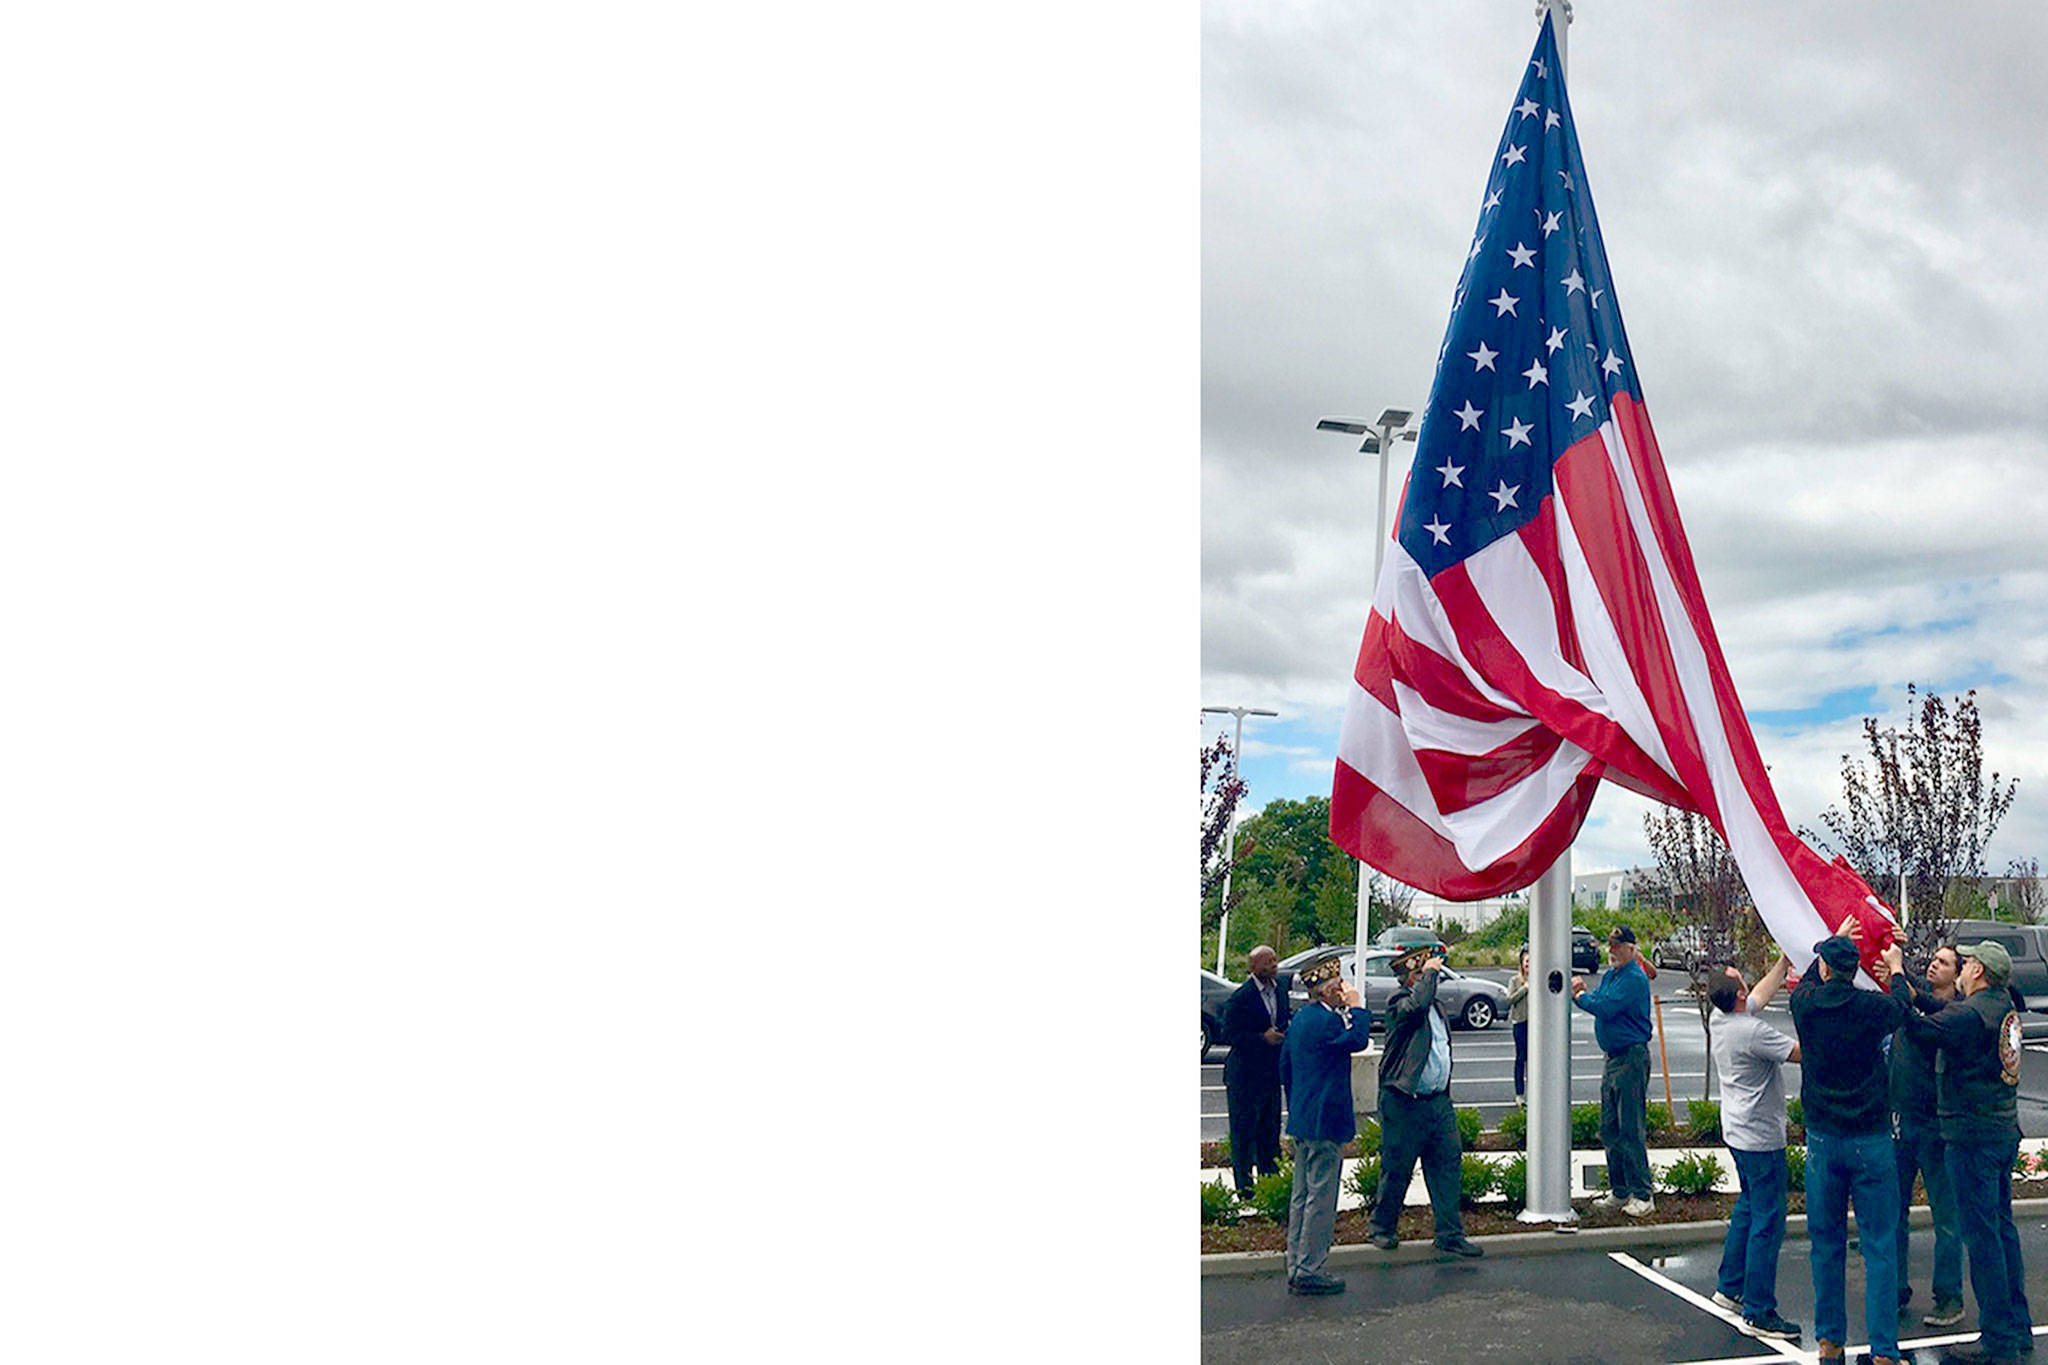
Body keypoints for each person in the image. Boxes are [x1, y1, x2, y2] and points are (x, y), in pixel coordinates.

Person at [1884, 938, 2034, 1365]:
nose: (1964, 967)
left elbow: (1920, 1029)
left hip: (1973, 1139)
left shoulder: (1973, 1014)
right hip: (2001, 1132)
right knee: (2002, 1233)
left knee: (1982, 1239)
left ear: (1979, 973)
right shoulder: (2001, 1005)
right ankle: (2016, 1329)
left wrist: (1896, 974)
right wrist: (1915, 991)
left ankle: (1998, 1341)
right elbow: (1944, 1015)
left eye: (1967, 962)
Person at [1790, 926, 1907, 1365]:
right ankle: (1883, 1351)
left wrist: (1828, 937)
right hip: (1871, 1139)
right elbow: (1900, 1004)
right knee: (1879, 1245)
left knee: (1827, 1244)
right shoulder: (1872, 1008)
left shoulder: (1806, 1007)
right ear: (1855, 970)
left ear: (1824, 968)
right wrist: (1895, 968)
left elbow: (1804, 983)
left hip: (1823, 1139)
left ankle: (1830, 1341)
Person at [1705, 956, 1803, 1342]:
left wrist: (1782, 964)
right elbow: (1800, 1053)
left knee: (1748, 1206)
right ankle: (1760, 1309)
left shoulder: (1721, 1018)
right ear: (1738, 994)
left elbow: (1759, 994)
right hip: (1761, 1138)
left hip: (1737, 1132)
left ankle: (1729, 1287)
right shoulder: (1754, 1032)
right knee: (1768, 1220)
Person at [1366, 945, 1484, 1258]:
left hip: (1437, 1101)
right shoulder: (1399, 1002)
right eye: (1422, 974)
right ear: (1410, 979)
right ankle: (1381, 1228)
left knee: (1447, 1166)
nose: (1431, 979)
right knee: (1397, 1168)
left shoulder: (1436, 1006)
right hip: (1404, 1100)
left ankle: (1449, 1234)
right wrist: (1428, 975)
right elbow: (1414, 1009)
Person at [1278, 951, 1374, 1297]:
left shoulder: (1300, 1021)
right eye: (1337, 984)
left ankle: (1296, 1263)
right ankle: (1309, 1268)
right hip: (1326, 1121)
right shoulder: (1327, 1020)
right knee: (1320, 1197)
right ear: (1325, 990)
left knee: (1301, 1196)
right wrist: (1358, 1007)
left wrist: (1299, 1104)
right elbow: (1358, 1040)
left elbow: (1285, 1068)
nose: (1342, 988)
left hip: (1304, 1119)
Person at [1888, 941, 1964, 1330]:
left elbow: (1918, 1020)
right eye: (1933, 959)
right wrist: (1894, 943)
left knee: (1946, 1216)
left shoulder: (1956, 1015)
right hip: (1901, 1122)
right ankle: (1895, 1292)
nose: (1934, 965)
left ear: (1959, 973)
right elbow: (1903, 980)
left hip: (1936, 1126)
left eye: (1944, 962)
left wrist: (1901, 974)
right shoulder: (1916, 994)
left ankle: (1949, 1298)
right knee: (1893, 1212)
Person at [1571, 924, 1654, 1215]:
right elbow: (1602, 1001)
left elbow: (1605, 1006)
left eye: (1619, 946)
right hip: (1613, 1058)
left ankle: (1642, 1194)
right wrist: (1585, 996)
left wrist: (1580, 996)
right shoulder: (1612, 976)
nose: (1612, 951)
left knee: (1630, 1128)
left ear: (1632, 949)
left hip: (1631, 1058)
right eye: (1610, 946)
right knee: (1610, 1128)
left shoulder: (1634, 978)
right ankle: (1620, 1191)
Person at [1221, 945, 1291, 1198]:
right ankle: (1245, 1190)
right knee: (1243, 1133)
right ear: (1253, 968)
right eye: (1267, 962)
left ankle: (1270, 1185)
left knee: (1269, 1131)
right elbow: (1228, 1033)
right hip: (1244, 1077)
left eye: (1275, 960)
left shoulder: (1280, 990)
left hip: (1271, 1074)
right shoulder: (1241, 997)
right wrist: (1262, 1038)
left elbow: (1284, 1019)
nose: (1274, 965)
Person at [1505, 946, 1531, 1105]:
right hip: (1520, 1022)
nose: (1528, 964)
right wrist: (1524, 989)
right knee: (1521, 1058)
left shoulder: (1539, 979)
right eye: (1526, 961)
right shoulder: (1515, 981)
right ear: (1522, 963)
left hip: (1536, 1025)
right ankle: (1519, 1093)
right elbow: (1510, 999)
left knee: (1535, 1059)